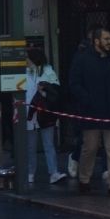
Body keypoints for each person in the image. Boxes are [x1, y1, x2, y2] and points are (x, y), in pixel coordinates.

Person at [68, 27, 110, 197]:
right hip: (91, 112)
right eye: (106, 38)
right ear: (97, 41)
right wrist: (87, 100)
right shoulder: (82, 60)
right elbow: (74, 84)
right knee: (90, 147)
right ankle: (84, 179)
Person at [24, 48, 66, 184]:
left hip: (44, 113)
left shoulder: (48, 72)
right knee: (30, 146)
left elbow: (56, 91)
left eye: (27, 57)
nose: (25, 60)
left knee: (48, 144)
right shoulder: (23, 73)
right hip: (28, 113)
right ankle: (30, 172)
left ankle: (53, 172)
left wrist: (45, 92)